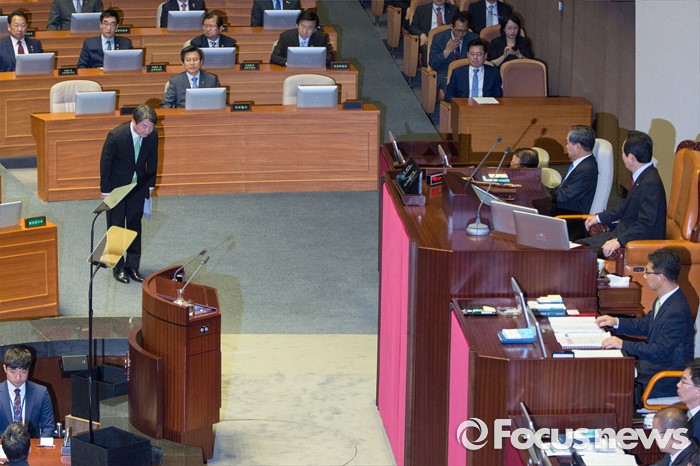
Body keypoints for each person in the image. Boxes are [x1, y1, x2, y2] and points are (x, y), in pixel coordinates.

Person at [596, 248, 693, 399]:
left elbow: (660, 351)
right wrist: (616, 322)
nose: (644, 276)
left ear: (660, 277)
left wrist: (623, 344)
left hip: (664, 378)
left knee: (607, 383)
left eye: (647, 272)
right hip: (651, 366)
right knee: (604, 370)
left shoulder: (677, 311)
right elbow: (646, 325)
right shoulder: (665, 299)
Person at [577, 130, 666, 258]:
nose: (621, 156)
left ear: (631, 158)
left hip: (634, 243)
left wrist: (619, 241)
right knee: (577, 245)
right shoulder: (644, 176)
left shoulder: (650, 183)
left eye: (623, 153)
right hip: (622, 231)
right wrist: (599, 218)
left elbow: (646, 224)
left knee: (577, 253)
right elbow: (627, 204)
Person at [100, 104, 158, 284]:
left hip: (138, 188)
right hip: (116, 189)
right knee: (116, 226)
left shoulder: (152, 135)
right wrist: (105, 191)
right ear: (134, 121)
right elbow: (105, 164)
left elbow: (153, 160)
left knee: (134, 227)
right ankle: (117, 267)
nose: (147, 131)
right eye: (144, 126)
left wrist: (150, 185)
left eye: (151, 127)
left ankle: (132, 266)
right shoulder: (116, 136)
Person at [551, 125, 598, 240]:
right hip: (561, 211)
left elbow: (564, 197)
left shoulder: (587, 169)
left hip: (570, 221)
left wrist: (544, 192)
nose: (566, 146)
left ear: (577, 147)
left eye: (567, 143)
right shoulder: (580, 164)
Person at [0, 347, 54, 438]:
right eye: (13, 372)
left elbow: (48, 428)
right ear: (5, 368)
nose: (18, 377)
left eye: (23, 372)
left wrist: (41, 446)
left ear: (29, 369)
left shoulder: (41, 392)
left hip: (32, 444)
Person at [428, 11, 478, 96]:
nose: (461, 34)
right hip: (446, 73)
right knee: (452, 92)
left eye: (464, 31)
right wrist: (446, 52)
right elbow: (432, 63)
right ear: (451, 26)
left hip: (467, 73)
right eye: (458, 30)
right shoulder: (439, 38)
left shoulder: (474, 38)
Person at [270, 10, 335, 67]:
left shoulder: (321, 38)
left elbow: (331, 57)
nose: (305, 31)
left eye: (309, 28)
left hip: (312, 71)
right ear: (297, 25)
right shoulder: (286, 36)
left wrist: (315, 62)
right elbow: (274, 58)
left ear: (315, 30)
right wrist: (290, 62)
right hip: (291, 71)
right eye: (302, 26)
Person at [409, 0, 457, 67]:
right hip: (428, 39)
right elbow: (413, 27)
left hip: (447, 40)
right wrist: (421, 34)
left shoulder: (453, 10)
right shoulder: (421, 9)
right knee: (425, 47)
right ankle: (428, 70)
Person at [678, 359, 700, 445]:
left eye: (683, 382)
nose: (678, 385)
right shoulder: (686, 413)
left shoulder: (697, 430)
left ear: (698, 391)